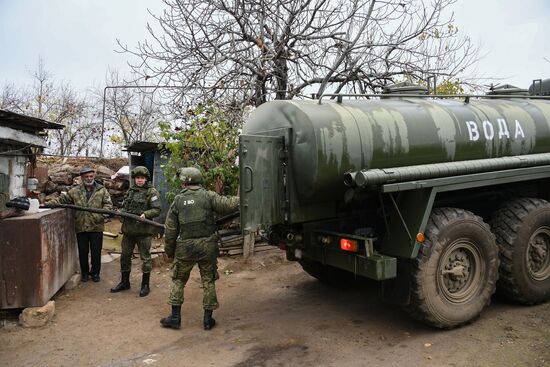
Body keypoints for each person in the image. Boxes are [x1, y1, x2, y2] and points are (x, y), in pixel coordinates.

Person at [160, 167, 239, 330]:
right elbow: (229, 205)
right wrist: (244, 198)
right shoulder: (209, 196)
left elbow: (170, 230)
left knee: (178, 280)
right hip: (207, 247)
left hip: (185, 248)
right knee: (208, 281)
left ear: (184, 182)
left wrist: (169, 251)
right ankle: (207, 320)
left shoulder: (178, 200)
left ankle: (175, 318)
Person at [46, 167, 113, 282]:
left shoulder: (101, 190)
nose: (89, 179)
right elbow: (62, 199)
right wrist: (47, 204)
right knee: (83, 252)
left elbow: (108, 206)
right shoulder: (75, 191)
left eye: (91, 176)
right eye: (86, 177)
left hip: (96, 226)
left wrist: (99, 216)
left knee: (96, 252)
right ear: (82, 178)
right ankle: (85, 273)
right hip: (81, 226)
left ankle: (95, 273)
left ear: (94, 176)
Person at [111, 166, 161, 297]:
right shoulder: (130, 191)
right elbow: (126, 207)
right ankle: (124, 282)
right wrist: (121, 212)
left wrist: (146, 214)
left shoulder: (152, 192)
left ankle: (145, 285)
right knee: (125, 256)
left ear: (146, 179)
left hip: (143, 232)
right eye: (137, 178)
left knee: (145, 258)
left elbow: (157, 209)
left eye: (142, 178)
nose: (139, 180)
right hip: (128, 231)